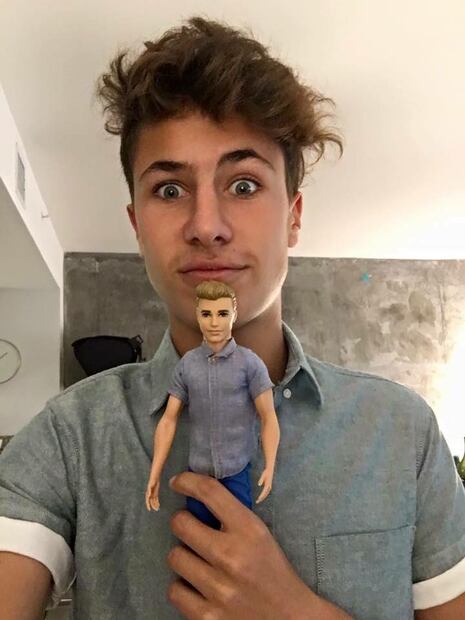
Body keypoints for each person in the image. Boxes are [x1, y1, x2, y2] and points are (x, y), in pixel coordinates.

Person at [0, 14, 465, 620]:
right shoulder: (70, 438)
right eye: (169, 190)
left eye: (243, 185)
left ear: (293, 216)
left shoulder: (402, 434)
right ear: (137, 225)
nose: (205, 226)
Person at [145, 279, 280, 529]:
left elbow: (268, 416)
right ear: (197, 316)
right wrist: (155, 472)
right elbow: (169, 419)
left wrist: (270, 466)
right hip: (198, 474)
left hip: (235, 472)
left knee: (240, 534)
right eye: (207, 314)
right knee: (196, 536)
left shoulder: (249, 363)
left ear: (234, 314)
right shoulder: (187, 364)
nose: (214, 323)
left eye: (222, 313)